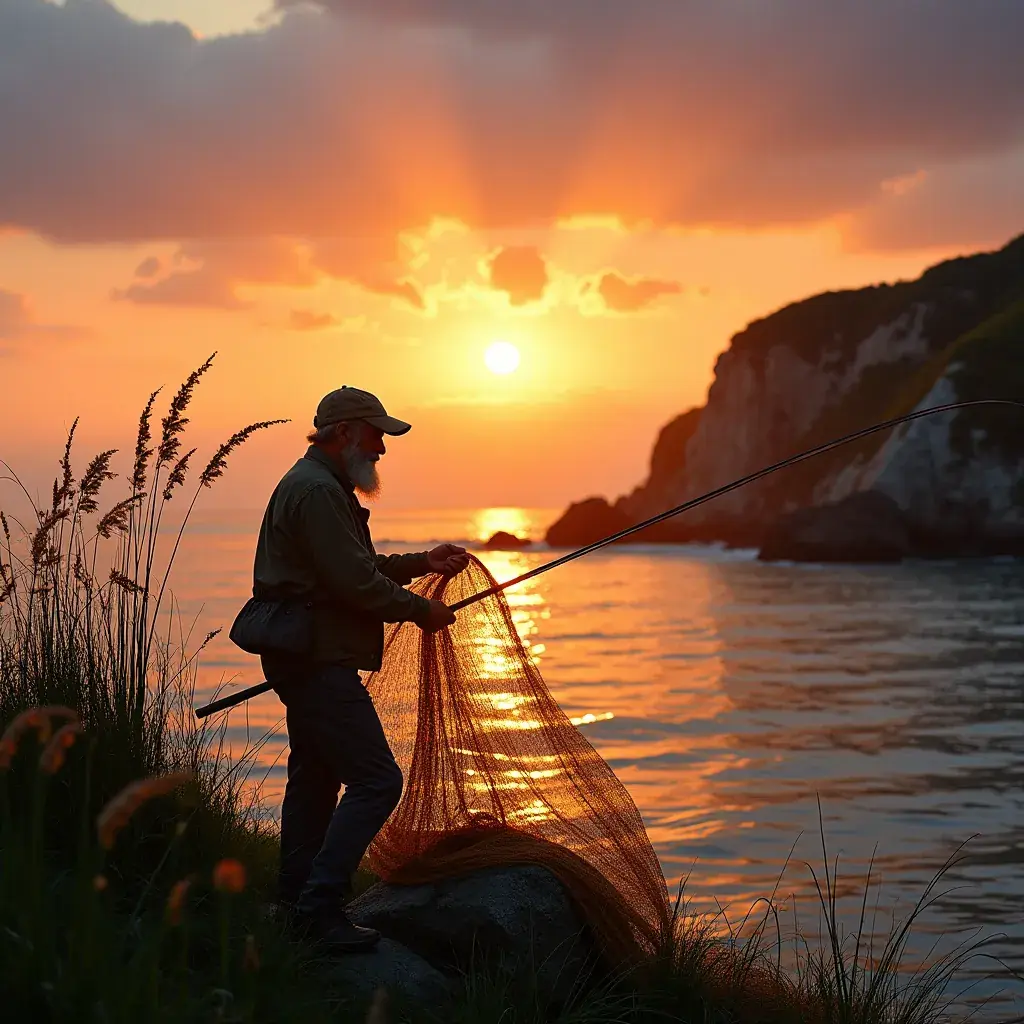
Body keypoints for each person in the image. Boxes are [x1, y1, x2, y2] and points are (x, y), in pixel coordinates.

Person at [253, 385, 469, 953]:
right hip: (316, 660)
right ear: (345, 432)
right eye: (376, 435)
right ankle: (320, 911)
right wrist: (423, 610)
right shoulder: (319, 493)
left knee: (316, 781)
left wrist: (423, 563)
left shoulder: (320, 486)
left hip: (306, 656)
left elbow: (356, 567)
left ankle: (290, 903)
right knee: (377, 781)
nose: (382, 448)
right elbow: (354, 584)